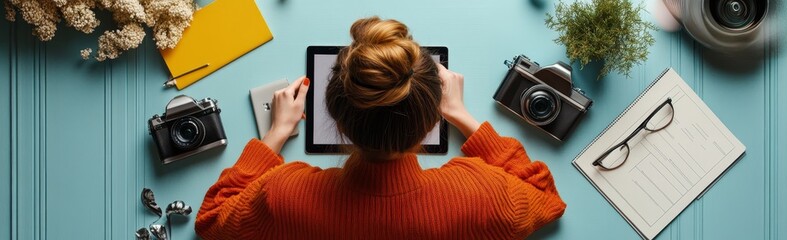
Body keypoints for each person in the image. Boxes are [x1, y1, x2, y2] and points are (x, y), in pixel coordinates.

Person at [195, 17, 566, 239]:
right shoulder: (483, 194)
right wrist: (465, 117)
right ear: (432, 119)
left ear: (336, 121)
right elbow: (546, 198)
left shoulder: (283, 195)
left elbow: (212, 220)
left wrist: (275, 135)